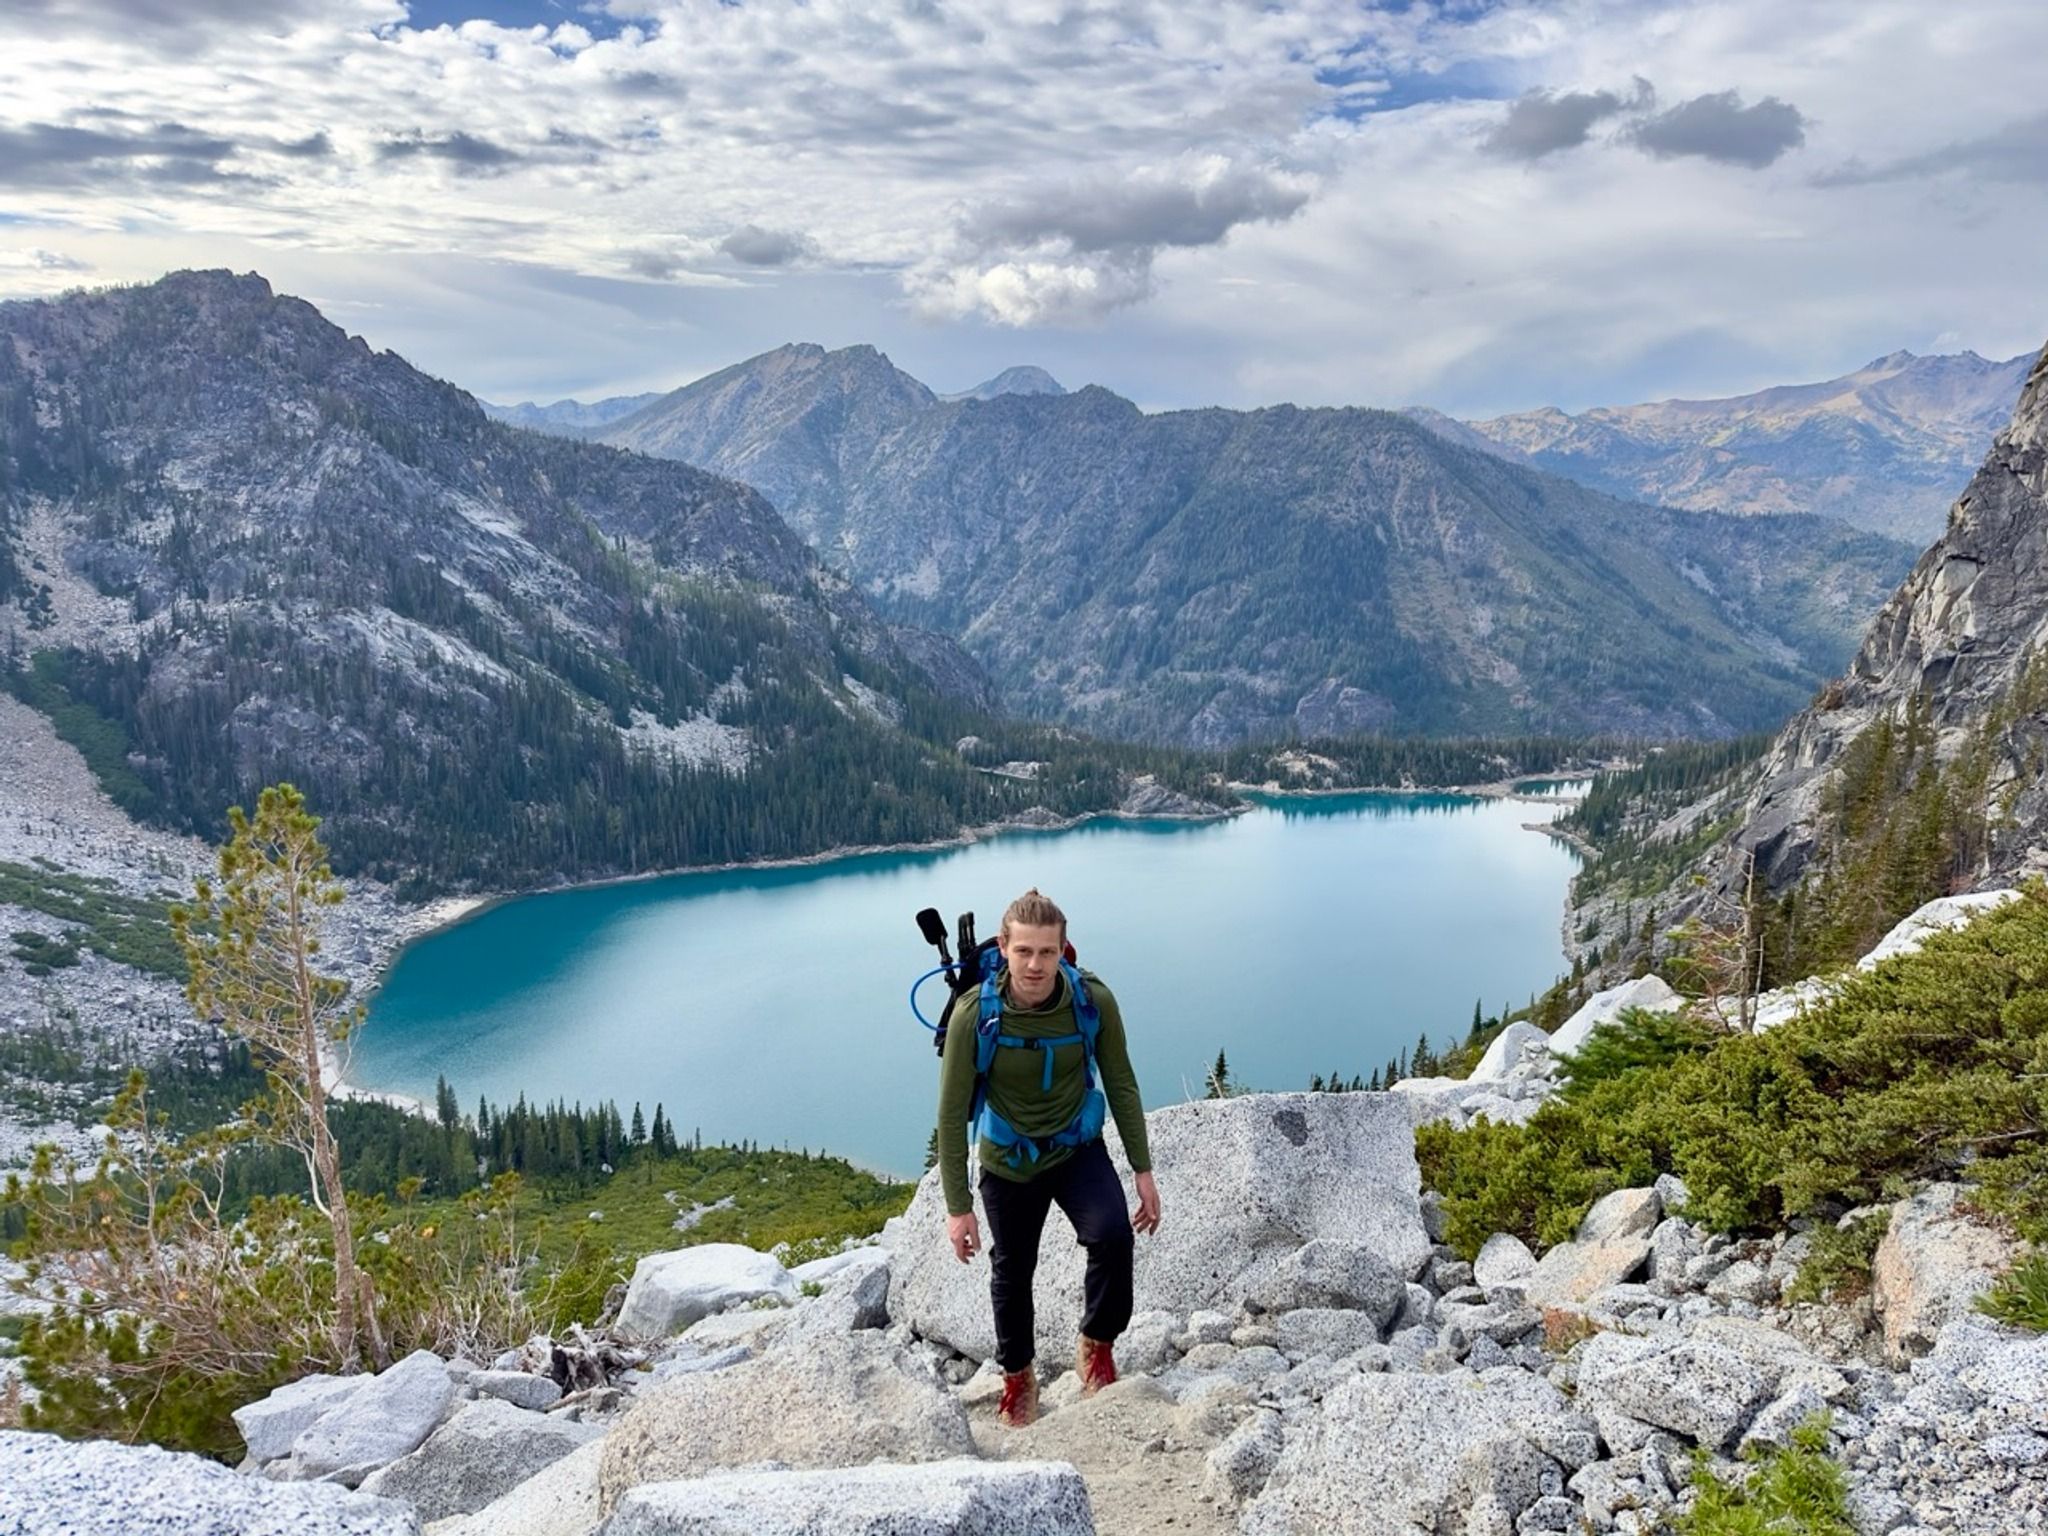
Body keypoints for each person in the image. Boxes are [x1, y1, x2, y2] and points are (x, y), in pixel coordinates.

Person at [935, 888, 1161, 1428]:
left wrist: (1143, 1170)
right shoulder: (976, 1015)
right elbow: (948, 1114)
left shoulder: (1091, 1002)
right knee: (1012, 1270)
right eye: (1024, 952)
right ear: (1005, 949)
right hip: (1008, 1159)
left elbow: (1121, 1084)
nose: (1035, 965)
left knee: (1112, 1236)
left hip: (1075, 1147)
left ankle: (1097, 1344)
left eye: (1047, 953)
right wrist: (957, 1206)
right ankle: (1018, 1379)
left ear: (1064, 951)